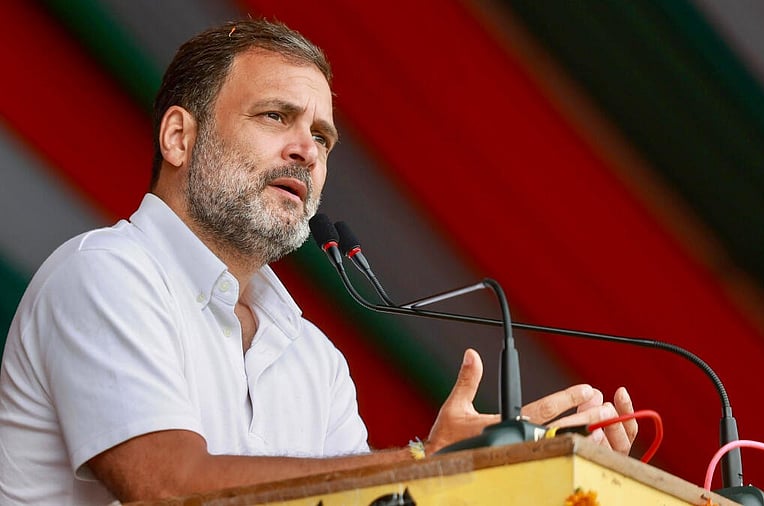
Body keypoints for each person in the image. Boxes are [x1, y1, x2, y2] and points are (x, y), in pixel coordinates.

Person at [0, 19, 638, 504]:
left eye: (323, 137)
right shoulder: (106, 273)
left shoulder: (314, 357)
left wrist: (511, 480)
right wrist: (425, 462)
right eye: (276, 116)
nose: (307, 150)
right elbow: (168, 488)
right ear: (179, 137)